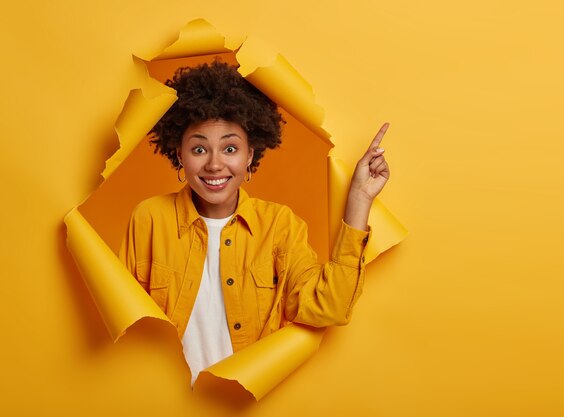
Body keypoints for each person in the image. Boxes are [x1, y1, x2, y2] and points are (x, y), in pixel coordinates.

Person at [119, 60, 390, 384]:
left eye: (230, 148)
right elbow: (126, 331)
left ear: (249, 154)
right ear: (179, 152)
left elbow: (329, 307)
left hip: (245, 402)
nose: (215, 164)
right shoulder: (148, 219)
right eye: (199, 148)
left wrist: (359, 199)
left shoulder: (279, 226)